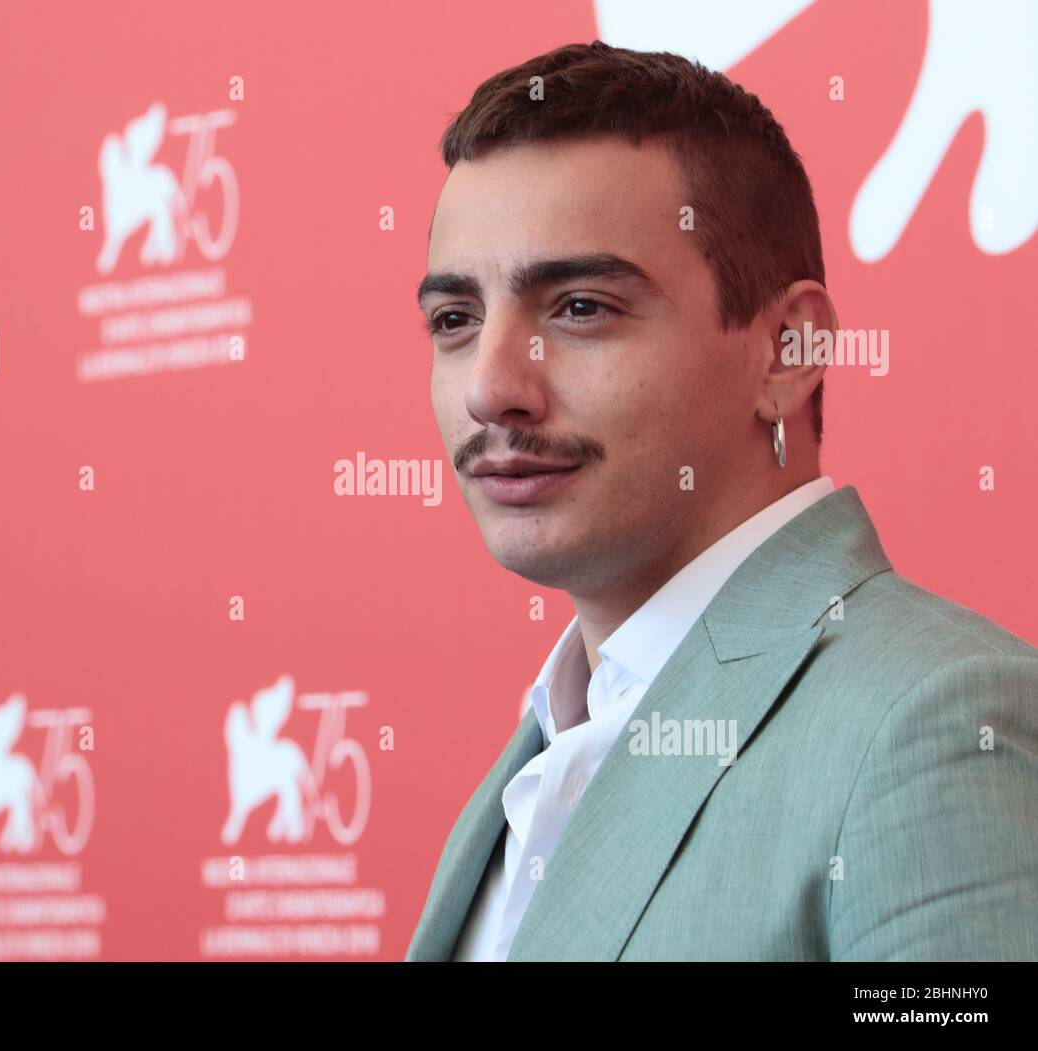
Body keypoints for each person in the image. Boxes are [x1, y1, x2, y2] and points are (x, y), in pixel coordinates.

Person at [407, 40, 1038, 962]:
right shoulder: (547, 743)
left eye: (580, 307)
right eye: (455, 320)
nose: (492, 385)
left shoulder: (932, 721)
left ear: (786, 351)